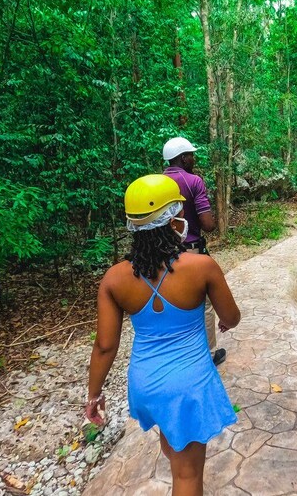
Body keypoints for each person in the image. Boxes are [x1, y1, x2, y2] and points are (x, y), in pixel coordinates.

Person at [84, 174, 240, 496]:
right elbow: (232, 317)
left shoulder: (113, 280)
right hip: (188, 385)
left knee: (174, 448)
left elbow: (104, 346)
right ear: (173, 220)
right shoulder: (202, 267)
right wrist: (222, 322)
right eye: (180, 213)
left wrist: (94, 394)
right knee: (186, 476)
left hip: (145, 384)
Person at [162, 137, 226, 366]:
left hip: (161, 253)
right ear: (182, 158)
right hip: (190, 250)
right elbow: (207, 224)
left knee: (171, 300)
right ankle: (209, 354)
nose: (194, 158)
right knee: (205, 303)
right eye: (191, 154)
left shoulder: (158, 182)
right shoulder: (193, 181)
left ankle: (177, 353)